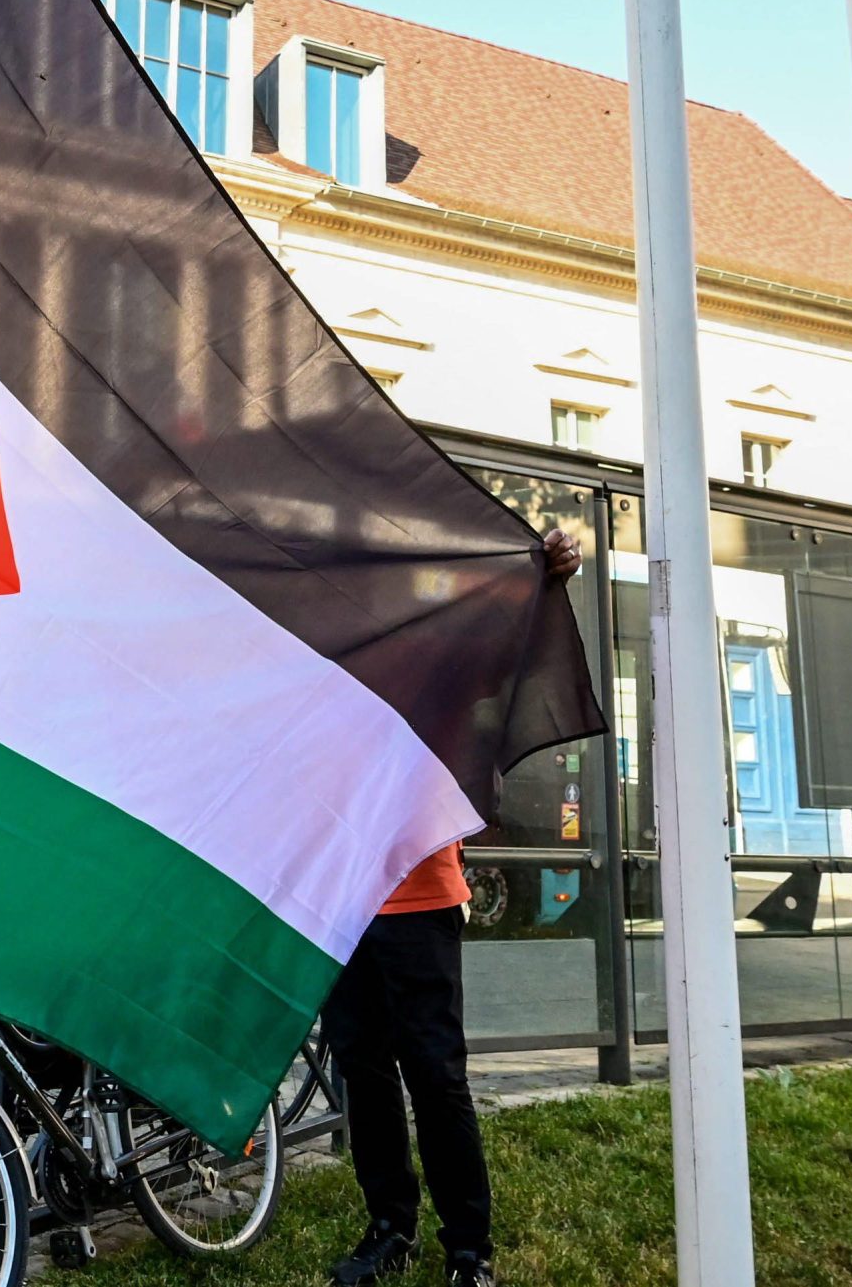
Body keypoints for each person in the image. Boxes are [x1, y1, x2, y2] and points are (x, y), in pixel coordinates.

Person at [326, 525, 585, 1287]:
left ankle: (469, 1250)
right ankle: (390, 1228)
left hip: (420, 896)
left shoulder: (433, 658)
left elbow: (507, 650)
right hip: (341, 900)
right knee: (364, 1072)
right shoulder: (319, 664)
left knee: (435, 1074)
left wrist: (547, 577)